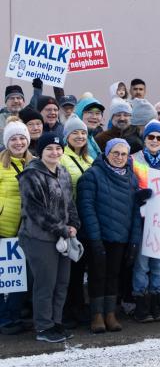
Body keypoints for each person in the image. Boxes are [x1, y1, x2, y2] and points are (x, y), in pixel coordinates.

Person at [18, 132, 80, 343]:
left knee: (62, 282)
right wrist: (62, 229)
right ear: (40, 152)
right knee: (46, 283)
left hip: (63, 237)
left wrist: (73, 224)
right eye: (49, 149)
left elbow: (69, 203)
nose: (54, 152)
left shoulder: (62, 172)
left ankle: (56, 322)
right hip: (39, 237)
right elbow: (35, 211)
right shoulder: (30, 175)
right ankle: (44, 327)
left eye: (58, 148)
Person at [77, 138, 143, 333]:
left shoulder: (131, 177)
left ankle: (110, 313)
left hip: (121, 237)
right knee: (98, 275)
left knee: (114, 275)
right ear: (106, 153)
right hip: (98, 236)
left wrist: (133, 241)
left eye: (123, 154)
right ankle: (96, 315)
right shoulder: (92, 175)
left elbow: (135, 210)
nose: (119, 157)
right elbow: (87, 208)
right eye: (115, 153)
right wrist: (95, 239)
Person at [130, 121, 160, 323]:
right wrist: (136, 195)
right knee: (141, 264)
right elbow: (127, 184)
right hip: (142, 218)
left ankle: (157, 303)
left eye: (159, 138)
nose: (155, 141)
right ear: (144, 139)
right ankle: (141, 304)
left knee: (159, 265)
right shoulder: (133, 159)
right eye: (151, 137)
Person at [59, 116, 94, 328]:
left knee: (80, 268)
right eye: (75, 133)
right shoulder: (62, 158)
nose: (80, 136)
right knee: (70, 269)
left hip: (87, 219)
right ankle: (68, 310)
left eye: (83, 133)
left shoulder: (89, 160)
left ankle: (79, 307)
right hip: (70, 221)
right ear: (67, 137)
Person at [0, 121, 33, 335]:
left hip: (27, 229)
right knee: (6, 277)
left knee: (21, 277)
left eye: (22, 138)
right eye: (13, 138)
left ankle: (12, 316)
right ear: (6, 142)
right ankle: (5, 319)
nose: (18, 142)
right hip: (3, 229)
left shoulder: (35, 163)